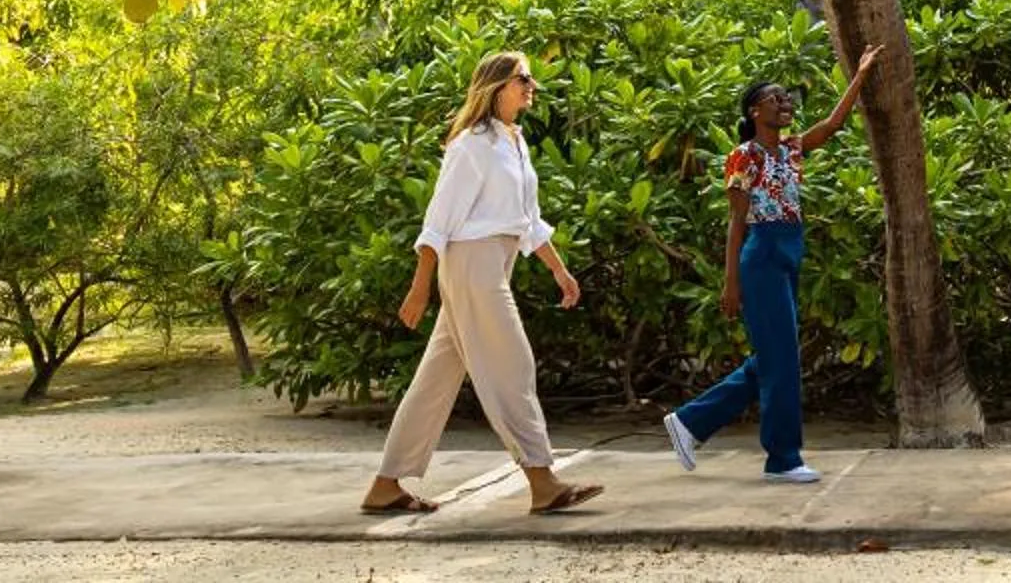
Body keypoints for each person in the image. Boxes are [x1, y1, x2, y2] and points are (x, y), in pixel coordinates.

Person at [358, 50, 607, 517]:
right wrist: (421, 286)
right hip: (471, 265)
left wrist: (558, 268)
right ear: (496, 87)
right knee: (513, 365)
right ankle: (542, 480)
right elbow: (438, 222)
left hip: (498, 262)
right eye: (522, 79)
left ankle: (385, 486)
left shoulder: (515, 141)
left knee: (437, 378)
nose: (531, 85)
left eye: (530, 78)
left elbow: (528, 220)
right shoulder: (471, 144)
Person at [662, 45, 881, 483]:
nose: (786, 105)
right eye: (776, 99)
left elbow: (834, 124)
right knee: (782, 360)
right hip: (761, 254)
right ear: (754, 110)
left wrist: (860, 74)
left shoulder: (791, 151)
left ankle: (690, 422)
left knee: (774, 357)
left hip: (789, 249)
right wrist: (730, 283)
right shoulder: (744, 155)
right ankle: (782, 459)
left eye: (787, 100)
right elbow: (736, 221)